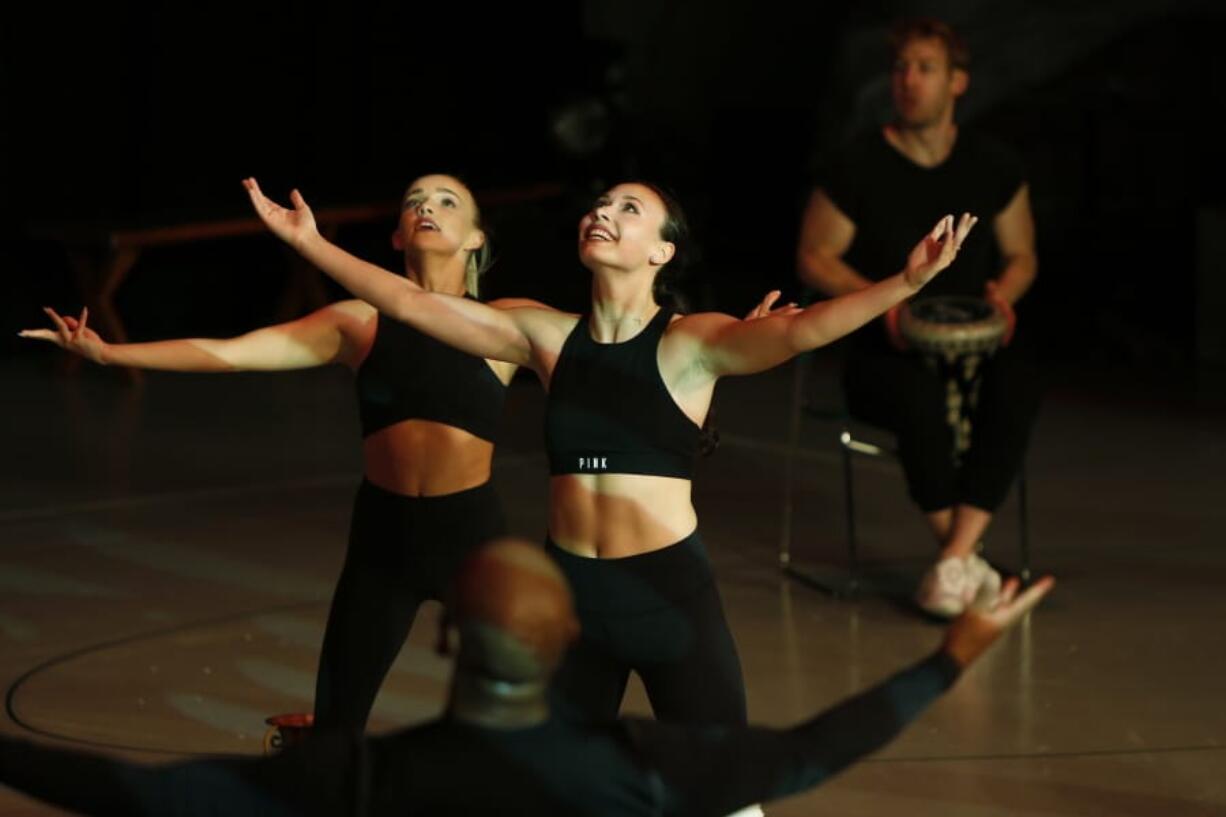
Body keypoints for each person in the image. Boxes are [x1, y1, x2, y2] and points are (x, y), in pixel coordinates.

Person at [242, 175, 978, 732]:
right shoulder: (546, 336)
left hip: (666, 593)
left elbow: (804, 330)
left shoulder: (691, 343)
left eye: (630, 209)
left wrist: (908, 281)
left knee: (722, 788)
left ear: (662, 251)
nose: (604, 213)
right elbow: (413, 306)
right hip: (572, 601)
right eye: (601, 205)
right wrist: (309, 243)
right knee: (551, 789)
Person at [0, 537, 1055, 816]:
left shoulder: (358, 780)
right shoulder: (645, 770)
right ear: (562, 651)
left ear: (445, 638)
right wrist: (948, 654)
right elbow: (812, 749)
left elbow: (139, 793)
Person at [20, 174, 529, 732]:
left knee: (513, 719)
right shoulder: (357, 324)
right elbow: (232, 353)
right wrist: (110, 353)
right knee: (338, 721)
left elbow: (597, 342)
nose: (426, 207)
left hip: (472, 536)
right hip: (386, 538)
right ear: (397, 239)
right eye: (414, 202)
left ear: (476, 238)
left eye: (446, 202)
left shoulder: (504, 324)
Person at [797, 16, 1042, 618]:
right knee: (916, 396)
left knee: (1020, 381)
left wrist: (1003, 297)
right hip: (891, 345)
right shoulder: (856, 165)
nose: (908, 81)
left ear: (957, 82)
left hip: (976, 343)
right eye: (901, 68)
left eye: (925, 68)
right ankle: (963, 560)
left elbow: (1023, 256)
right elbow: (814, 257)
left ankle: (955, 561)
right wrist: (883, 303)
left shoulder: (992, 165)